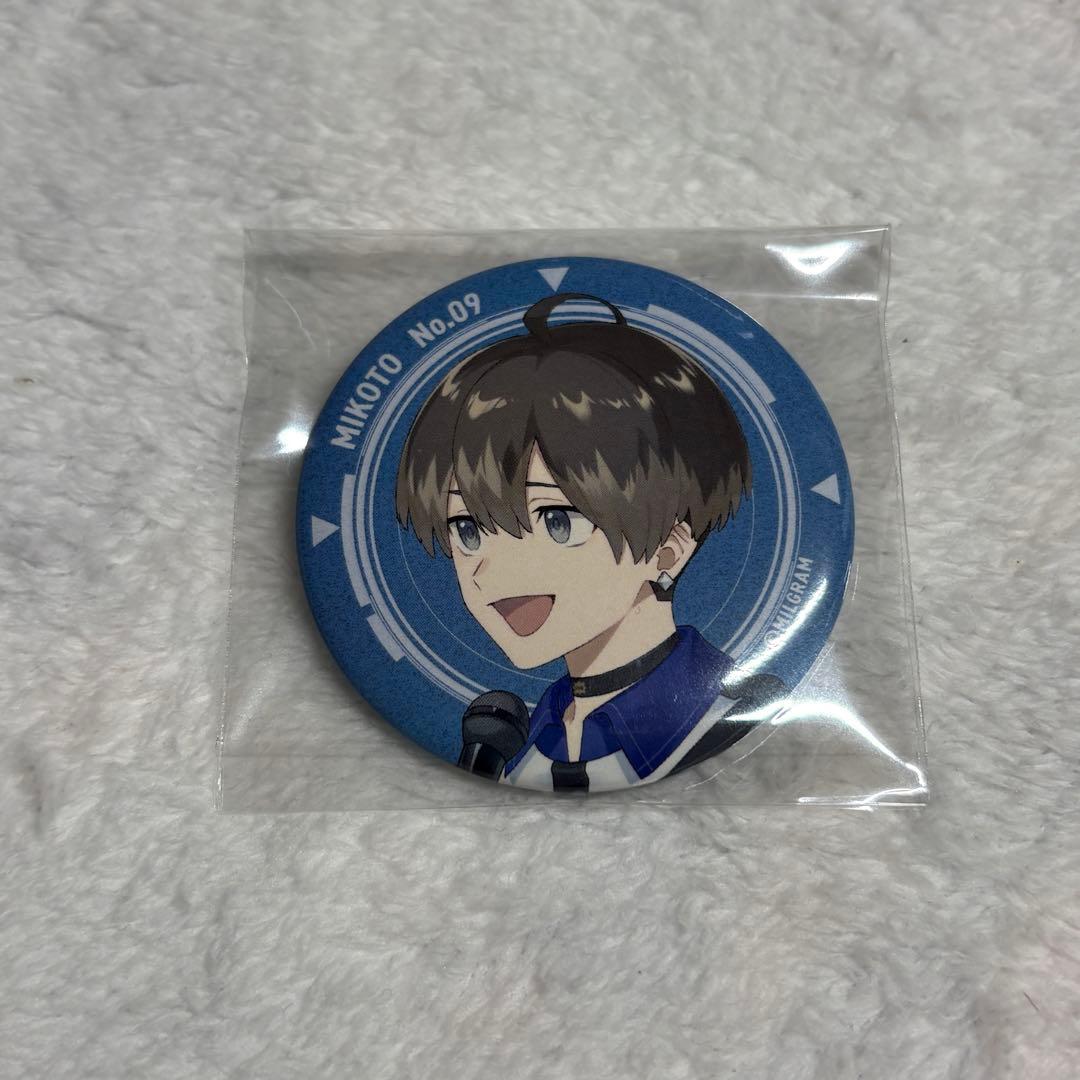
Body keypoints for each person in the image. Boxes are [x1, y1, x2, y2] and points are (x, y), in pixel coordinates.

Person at [396, 293, 784, 791]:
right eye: (467, 529)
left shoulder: (734, 717)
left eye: (558, 521)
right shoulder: (512, 748)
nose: (491, 568)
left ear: (669, 549)